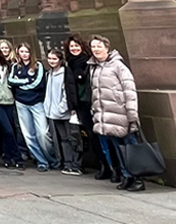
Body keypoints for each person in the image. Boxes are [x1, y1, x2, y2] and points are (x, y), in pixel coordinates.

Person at [88, 35, 143, 191]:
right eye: (93, 46)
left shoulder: (118, 66)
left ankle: (138, 178)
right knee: (118, 149)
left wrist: (132, 114)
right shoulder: (94, 67)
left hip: (121, 114)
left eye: (99, 46)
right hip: (106, 116)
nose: (96, 49)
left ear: (106, 47)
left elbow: (129, 90)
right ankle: (126, 176)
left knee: (130, 147)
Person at [8, 43, 57, 171]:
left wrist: (20, 83)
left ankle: (52, 159)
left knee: (43, 133)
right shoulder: (15, 66)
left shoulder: (38, 66)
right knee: (28, 135)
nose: (24, 54)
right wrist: (26, 80)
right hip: (21, 103)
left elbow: (37, 83)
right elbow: (10, 81)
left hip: (37, 103)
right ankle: (41, 161)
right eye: (22, 51)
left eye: (26, 52)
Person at [65, 34, 106, 179]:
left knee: (102, 135)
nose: (74, 48)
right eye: (71, 46)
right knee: (91, 135)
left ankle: (112, 166)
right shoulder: (69, 64)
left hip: (93, 102)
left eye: (76, 46)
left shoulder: (89, 62)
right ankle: (103, 165)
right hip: (80, 104)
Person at [44, 49, 83, 176]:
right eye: (50, 58)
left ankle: (76, 165)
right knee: (64, 139)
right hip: (53, 113)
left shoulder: (65, 73)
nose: (51, 61)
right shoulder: (49, 74)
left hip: (65, 113)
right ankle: (68, 163)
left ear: (60, 60)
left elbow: (68, 91)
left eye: (54, 59)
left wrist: (63, 108)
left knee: (73, 139)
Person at [0, 46, 24, 168]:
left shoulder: (8, 66)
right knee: (7, 130)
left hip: (9, 100)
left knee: (10, 130)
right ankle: (17, 157)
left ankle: (8, 157)